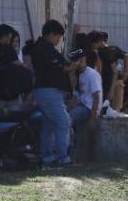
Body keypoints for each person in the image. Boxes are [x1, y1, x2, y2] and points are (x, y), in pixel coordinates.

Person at [30, 20, 73, 167]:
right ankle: (63, 157)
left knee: (48, 125)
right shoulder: (43, 48)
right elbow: (59, 66)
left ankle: (47, 156)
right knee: (63, 122)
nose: (58, 40)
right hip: (48, 91)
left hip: (47, 91)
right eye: (58, 37)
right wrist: (69, 67)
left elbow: (62, 63)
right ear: (51, 34)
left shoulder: (47, 47)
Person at [69, 49, 102, 161]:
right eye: (74, 61)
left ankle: (69, 152)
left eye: (79, 60)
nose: (77, 63)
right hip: (82, 105)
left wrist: (93, 117)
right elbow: (76, 96)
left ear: (84, 59)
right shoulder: (78, 75)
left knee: (68, 118)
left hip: (89, 108)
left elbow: (97, 96)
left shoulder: (91, 74)